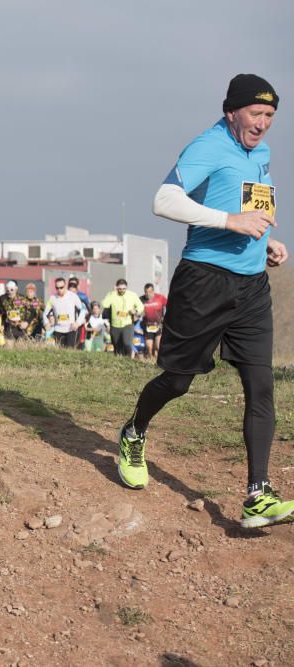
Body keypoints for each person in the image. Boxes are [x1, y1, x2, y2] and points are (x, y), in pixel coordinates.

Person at [118, 74, 294, 529]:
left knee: (261, 388)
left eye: (270, 116)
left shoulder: (262, 153)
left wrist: (267, 241)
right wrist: (230, 222)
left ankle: (258, 493)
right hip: (204, 282)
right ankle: (134, 431)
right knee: (177, 382)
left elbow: (248, 204)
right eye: (255, 114)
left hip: (252, 287)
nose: (262, 124)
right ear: (231, 111)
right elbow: (164, 200)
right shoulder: (207, 145)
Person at [101, 278, 144, 356]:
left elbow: (141, 306)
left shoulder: (132, 295)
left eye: (124, 289)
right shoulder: (112, 294)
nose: (122, 290)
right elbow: (105, 304)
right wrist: (112, 293)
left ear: (126, 288)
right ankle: (119, 365)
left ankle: (128, 361)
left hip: (128, 324)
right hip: (115, 325)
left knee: (127, 344)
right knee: (117, 348)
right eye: (120, 289)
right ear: (117, 287)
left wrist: (136, 311)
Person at [43, 277, 86, 348]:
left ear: (65, 286)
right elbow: (45, 313)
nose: (59, 290)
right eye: (57, 288)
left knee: (69, 352)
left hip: (71, 329)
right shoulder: (52, 298)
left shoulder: (73, 296)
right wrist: (46, 322)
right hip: (58, 330)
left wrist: (78, 323)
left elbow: (83, 310)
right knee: (59, 353)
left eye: (61, 287)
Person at [140, 282, 168, 360]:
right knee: (149, 347)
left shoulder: (160, 298)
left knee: (158, 347)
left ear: (153, 291)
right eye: (146, 292)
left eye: (149, 292)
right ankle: (151, 360)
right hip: (147, 326)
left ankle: (158, 362)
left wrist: (166, 317)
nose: (147, 294)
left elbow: (169, 306)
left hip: (158, 325)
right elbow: (137, 308)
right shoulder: (141, 299)